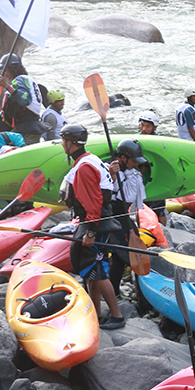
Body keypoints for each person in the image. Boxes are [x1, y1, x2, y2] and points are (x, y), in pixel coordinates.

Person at [59, 124, 125, 330]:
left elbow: (94, 202)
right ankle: (95, 314)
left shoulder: (84, 167)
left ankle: (117, 315)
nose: (62, 145)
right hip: (96, 222)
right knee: (91, 272)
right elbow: (105, 187)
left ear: (70, 143)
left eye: (63, 141)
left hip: (97, 225)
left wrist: (90, 231)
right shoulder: (91, 159)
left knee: (98, 269)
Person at [106, 139, 149, 295]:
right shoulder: (107, 169)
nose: (136, 164)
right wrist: (112, 175)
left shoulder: (132, 175)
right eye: (134, 161)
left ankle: (122, 291)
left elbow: (131, 199)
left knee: (121, 258)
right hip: (109, 219)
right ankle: (114, 292)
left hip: (123, 218)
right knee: (122, 256)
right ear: (122, 158)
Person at [0, 53, 47, 145]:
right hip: (32, 126)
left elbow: (24, 100)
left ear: (12, 69)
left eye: (6, 70)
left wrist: (6, 86)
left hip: (27, 129)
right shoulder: (26, 80)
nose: (5, 74)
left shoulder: (19, 80)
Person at [136, 112, 166, 225]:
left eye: (147, 126)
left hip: (157, 178)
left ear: (155, 127)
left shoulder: (161, 141)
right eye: (142, 125)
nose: (143, 128)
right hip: (142, 177)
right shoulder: (136, 138)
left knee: (159, 209)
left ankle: (164, 233)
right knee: (142, 207)